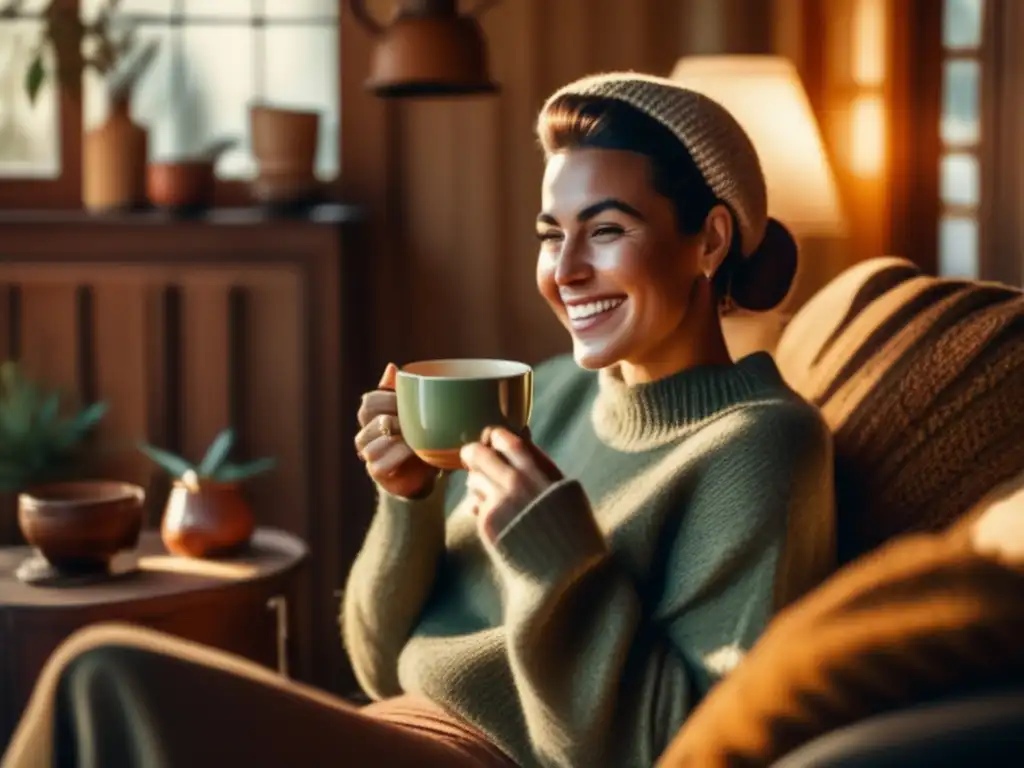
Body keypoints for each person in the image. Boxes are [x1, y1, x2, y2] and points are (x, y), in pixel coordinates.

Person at [2, 73, 835, 768]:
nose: (567, 271)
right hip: (391, 726)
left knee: (102, 676)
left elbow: (687, 748)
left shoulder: (759, 446)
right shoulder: (550, 394)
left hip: (497, 759)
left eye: (607, 230)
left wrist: (559, 564)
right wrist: (408, 503)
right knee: (105, 690)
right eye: (552, 236)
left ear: (711, 240)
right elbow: (372, 662)